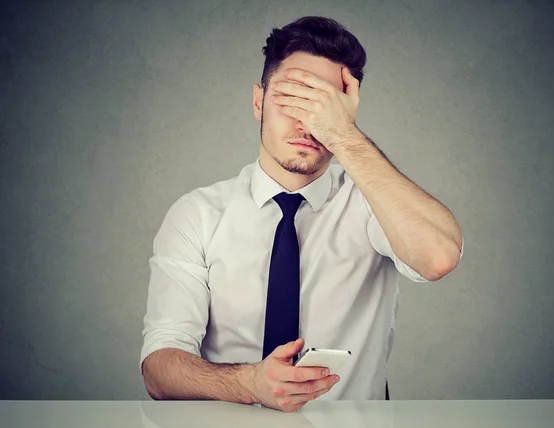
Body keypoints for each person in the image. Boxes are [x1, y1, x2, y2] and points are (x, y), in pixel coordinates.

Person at [140, 16, 464, 413]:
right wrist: (250, 383)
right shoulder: (198, 215)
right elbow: (159, 369)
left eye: (322, 105)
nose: (306, 122)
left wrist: (344, 135)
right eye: (291, 98)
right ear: (258, 101)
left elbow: (438, 257)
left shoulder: (371, 202)